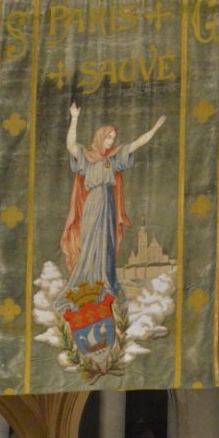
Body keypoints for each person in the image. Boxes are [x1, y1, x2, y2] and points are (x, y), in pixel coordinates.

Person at [60, 102, 166, 302]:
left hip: (108, 203)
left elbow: (136, 143)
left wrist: (153, 130)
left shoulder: (115, 159)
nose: (110, 142)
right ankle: (87, 281)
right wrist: (74, 118)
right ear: (100, 137)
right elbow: (70, 145)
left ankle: (104, 281)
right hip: (93, 204)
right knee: (91, 240)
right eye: (108, 138)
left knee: (106, 242)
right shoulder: (86, 157)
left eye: (113, 139)